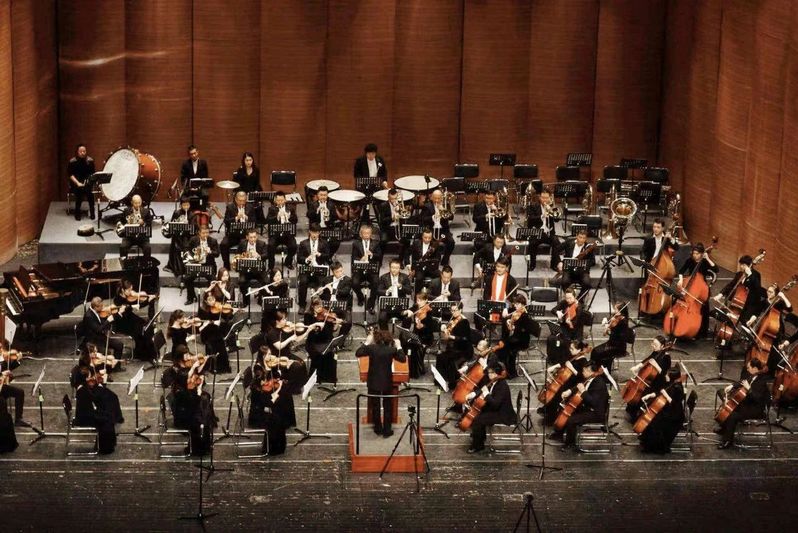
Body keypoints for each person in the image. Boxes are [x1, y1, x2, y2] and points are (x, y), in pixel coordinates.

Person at [355, 329, 407, 438]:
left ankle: (378, 428)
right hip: (387, 381)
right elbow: (402, 359)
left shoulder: (371, 348)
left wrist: (367, 342)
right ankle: (387, 430)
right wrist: (399, 346)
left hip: (373, 381)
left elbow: (358, 353)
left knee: (375, 405)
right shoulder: (391, 350)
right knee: (388, 406)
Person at [552, 361, 610, 449]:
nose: (582, 373)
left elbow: (593, 402)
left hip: (595, 413)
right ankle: (559, 433)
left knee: (571, 420)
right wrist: (570, 391)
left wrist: (583, 391)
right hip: (588, 407)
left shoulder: (599, 384)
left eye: (584, 371)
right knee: (564, 408)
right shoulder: (590, 378)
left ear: (589, 371)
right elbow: (580, 385)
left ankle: (570, 444)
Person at [715, 358, 769, 449]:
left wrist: (749, 389)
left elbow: (757, 399)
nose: (747, 369)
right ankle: (724, 428)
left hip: (756, 409)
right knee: (731, 406)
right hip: (749, 404)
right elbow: (742, 381)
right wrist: (732, 385)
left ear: (755, 368)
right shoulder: (753, 375)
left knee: (733, 415)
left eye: (749, 368)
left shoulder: (762, 381)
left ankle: (727, 441)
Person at [466, 362, 516, 453]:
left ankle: (478, 445)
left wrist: (486, 394)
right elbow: (483, 389)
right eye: (489, 372)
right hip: (497, 409)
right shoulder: (493, 381)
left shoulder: (502, 386)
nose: (489, 374)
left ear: (498, 373)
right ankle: (479, 436)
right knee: (478, 412)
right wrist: (473, 394)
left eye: (492, 373)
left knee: (478, 419)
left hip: (503, 414)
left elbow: (495, 404)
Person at [539, 340, 591, 425]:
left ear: (579, 350)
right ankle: (547, 408)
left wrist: (572, 368)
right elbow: (564, 362)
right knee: (556, 389)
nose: (570, 350)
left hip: (573, 384)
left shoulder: (583, 361)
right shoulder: (573, 356)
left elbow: (581, 377)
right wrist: (554, 367)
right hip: (567, 380)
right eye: (570, 348)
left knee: (558, 394)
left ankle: (551, 418)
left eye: (572, 349)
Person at [73, 367, 123, 454]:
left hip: (88, 412)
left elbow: (93, 397)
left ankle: (108, 443)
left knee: (107, 413)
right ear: (84, 379)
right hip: (85, 417)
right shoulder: (82, 391)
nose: (91, 378)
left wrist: (97, 384)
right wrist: (99, 385)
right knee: (107, 418)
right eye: (89, 377)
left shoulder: (83, 388)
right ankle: (105, 448)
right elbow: (91, 401)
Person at [638, 367, 687, 454]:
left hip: (674, 415)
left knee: (655, 422)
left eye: (667, 375)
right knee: (653, 419)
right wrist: (650, 395)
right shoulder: (671, 383)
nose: (665, 376)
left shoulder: (678, 388)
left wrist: (666, 395)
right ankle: (647, 442)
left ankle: (655, 447)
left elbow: (674, 404)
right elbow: (660, 392)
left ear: (672, 377)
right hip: (669, 409)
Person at [675, 242, 719, 338]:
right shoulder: (690, 260)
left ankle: (702, 331)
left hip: (701, 288)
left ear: (702, 254)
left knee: (704, 309)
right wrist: (681, 280)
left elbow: (716, 269)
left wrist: (707, 258)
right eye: (694, 253)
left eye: (697, 254)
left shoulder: (705, 261)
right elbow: (681, 271)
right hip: (691, 285)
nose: (695, 255)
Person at [624, 335, 672, 420]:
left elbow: (663, 373)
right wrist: (637, 367)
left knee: (642, 393)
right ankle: (632, 409)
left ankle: (636, 415)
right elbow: (647, 360)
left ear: (662, 346)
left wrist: (656, 365)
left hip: (658, 383)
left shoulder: (666, 357)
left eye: (655, 345)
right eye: (653, 344)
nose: (653, 346)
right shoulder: (656, 352)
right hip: (651, 379)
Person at [714, 254, 764, 328]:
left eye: (743, 265)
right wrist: (720, 294)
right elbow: (731, 285)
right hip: (738, 301)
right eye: (741, 264)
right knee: (728, 318)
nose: (741, 266)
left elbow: (757, 289)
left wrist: (750, 275)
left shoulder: (756, 275)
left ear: (749, 265)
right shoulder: (739, 274)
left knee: (744, 322)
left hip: (750, 304)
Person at [496, 294, 540, 378]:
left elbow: (523, 330)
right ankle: (505, 368)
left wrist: (514, 327)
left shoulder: (525, 315)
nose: (515, 306)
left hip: (522, 340)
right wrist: (508, 321)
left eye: (517, 304)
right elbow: (513, 323)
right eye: (515, 304)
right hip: (516, 337)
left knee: (506, 346)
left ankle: (511, 372)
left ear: (522, 304)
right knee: (502, 344)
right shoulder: (516, 312)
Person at [436, 302, 473, 389]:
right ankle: (441, 380)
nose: (453, 312)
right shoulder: (454, 319)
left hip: (463, 349)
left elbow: (464, 339)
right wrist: (444, 327)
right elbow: (449, 329)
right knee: (440, 356)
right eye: (451, 310)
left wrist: (451, 336)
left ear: (460, 310)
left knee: (445, 358)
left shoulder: (464, 322)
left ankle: (451, 382)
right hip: (454, 347)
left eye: (455, 310)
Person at [547, 286, 586, 364]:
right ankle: (552, 358)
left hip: (574, 331)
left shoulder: (579, 308)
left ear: (574, 297)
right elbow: (553, 310)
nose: (568, 300)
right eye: (567, 298)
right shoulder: (565, 302)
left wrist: (569, 323)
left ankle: (562, 360)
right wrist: (557, 312)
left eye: (570, 298)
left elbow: (575, 325)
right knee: (550, 338)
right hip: (564, 328)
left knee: (561, 341)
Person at [400, 291, 435, 377]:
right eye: (417, 300)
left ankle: (416, 370)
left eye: (421, 300)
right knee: (403, 340)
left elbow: (431, 328)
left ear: (426, 300)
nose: (418, 302)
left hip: (426, 336)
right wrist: (406, 312)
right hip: (416, 334)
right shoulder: (416, 306)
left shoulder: (429, 311)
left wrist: (422, 326)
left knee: (414, 346)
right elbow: (405, 312)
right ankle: (406, 365)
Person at [183, 225, 220, 305]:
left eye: (207, 233)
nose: (205, 235)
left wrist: (210, 252)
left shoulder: (213, 241)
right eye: (203, 233)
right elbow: (186, 249)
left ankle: (210, 298)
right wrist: (192, 256)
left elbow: (217, 254)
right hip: (196, 264)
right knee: (187, 278)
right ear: (199, 233)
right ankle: (191, 297)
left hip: (208, 266)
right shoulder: (193, 240)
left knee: (213, 279)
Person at [525, 188, 560, 271]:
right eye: (543, 197)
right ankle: (532, 264)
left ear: (550, 198)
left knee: (556, 242)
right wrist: (542, 216)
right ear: (539, 197)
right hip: (538, 232)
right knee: (532, 242)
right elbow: (530, 220)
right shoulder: (533, 206)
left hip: (549, 233)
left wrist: (552, 211)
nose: (545, 200)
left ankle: (554, 264)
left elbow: (557, 220)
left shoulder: (552, 207)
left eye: (546, 198)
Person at [297, 224, 331, 308]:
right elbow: (299, 258)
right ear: (310, 232)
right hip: (307, 269)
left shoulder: (324, 243)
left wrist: (320, 254)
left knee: (323, 281)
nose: (315, 235)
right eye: (313, 232)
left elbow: (328, 257)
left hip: (319, 269)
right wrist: (306, 259)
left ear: (319, 233)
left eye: (317, 233)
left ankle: (321, 305)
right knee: (303, 282)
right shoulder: (303, 243)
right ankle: (302, 305)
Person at [221, 191, 257, 270]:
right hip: (233, 235)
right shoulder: (230, 207)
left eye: (244, 201)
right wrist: (236, 218)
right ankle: (226, 265)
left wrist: (247, 218)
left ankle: (243, 266)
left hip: (245, 236)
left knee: (245, 245)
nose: (242, 203)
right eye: (240, 201)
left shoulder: (250, 207)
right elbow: (226, 221)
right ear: (236, 200)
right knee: (223, 244)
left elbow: (255, 222)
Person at [351, 224, 382, 313]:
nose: (366, 235)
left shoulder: (376, 243)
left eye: (368, 233)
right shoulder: (356, 244)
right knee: (354, 283)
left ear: (371, 234)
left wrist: (372, 255)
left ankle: (371, 303)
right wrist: (361, 259)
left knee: (376, 283)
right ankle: (360, 297)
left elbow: (379, 256)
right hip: (360, 269)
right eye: (364, 233)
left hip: (371, 269)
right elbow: (353, 258)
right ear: (361, 234)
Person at [555, 228, 595, 297]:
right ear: (576, 236)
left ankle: (579, 300)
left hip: (582, 271)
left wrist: (585, 263)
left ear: (586, 239)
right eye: (580, 237)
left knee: (587, 284)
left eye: (583, 238)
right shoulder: (569, 242)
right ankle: (569, 298)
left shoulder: (588, 248)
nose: (581, 240)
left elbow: (593, 261)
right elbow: (556, 250)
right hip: (568, 270)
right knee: (564, 282)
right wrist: (559, 262)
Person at [377, 188, 412, 265]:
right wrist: (392, 218)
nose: (393, 201)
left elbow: (405, 218)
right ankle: (379, 262)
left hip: (398, 228)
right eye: (391, 199)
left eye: (395, 198)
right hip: (387, 228)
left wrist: (400, 212)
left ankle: (402, 261)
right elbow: (382, 221)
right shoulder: (383, 205)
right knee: (383, 241)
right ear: (388, 197)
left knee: (407, 241)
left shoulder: (400, 205)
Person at [591, 301, 631, 368]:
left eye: (616, 309)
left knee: (598, 353)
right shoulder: (616, 318)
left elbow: (618, 337)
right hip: (611, 343)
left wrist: (609, 328)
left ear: (621, 311)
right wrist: (607, 325)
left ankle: (601, 369)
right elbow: (608, 333)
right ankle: (596, 368)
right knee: (594, 351)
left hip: (618, 347)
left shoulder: (623, 322)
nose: (614, 311)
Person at [376, 258, 413, 329]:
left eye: (396, 268)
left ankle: (403, 335)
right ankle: (386, 335)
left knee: (408, 318)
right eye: (392, 267)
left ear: (399, 268)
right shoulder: (383, 277)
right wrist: (387, 291)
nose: (394, 270)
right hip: (387, 306)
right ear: (389, 267)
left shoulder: (405, 277)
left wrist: (401, 287)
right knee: (382, 318)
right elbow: (378, 291)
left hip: (400, 306)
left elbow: (409, 291)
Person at [265, 191, 299, 269]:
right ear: (275, 201)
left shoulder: (290, 208)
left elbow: (295, 220)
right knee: (270, 246)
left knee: (293, 246)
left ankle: (288, 262)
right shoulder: (272, 209)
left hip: (288, 235)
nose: (280, 202)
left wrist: (289, 217)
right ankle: (271, 265)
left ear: (285, 200)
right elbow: (268, 220)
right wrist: (277, 216)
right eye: (278, 200)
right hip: (275, 235)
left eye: (282, 200)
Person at [165, 196, 196, 277]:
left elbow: (193, 229)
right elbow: (171, 224)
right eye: (184, 205)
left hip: (187, 236)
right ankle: (176, 267)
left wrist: (188, 224)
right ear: (181, 205)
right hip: (177, 235)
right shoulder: (177, 213)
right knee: (176, 244)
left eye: (187, 205)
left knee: (185, 245)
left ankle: (185, 267)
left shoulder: (192, 215)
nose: (186, 207)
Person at [421, 190, 454, 266]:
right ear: (432, 198)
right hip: (431, 230)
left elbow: (451, 217)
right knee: (433, 243)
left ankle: (445, 260)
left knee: (451, 242)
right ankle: (432, 259)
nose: (436, 200)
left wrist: (443, 210)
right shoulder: (427, 206)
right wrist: (432, 217)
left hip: (443, 230)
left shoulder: (446, 205)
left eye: (439, 198)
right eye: (435, 198)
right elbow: (423, 219)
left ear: (441, 198)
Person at [235, 229, 267, 307]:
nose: (253, 239)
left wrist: (259, 256)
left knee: (266, 281)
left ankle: (260, 297)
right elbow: (237, 254)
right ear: (247, 237)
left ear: (257, 236)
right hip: (246, 270)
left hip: (258, 270)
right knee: (242, 281)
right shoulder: (242, 243)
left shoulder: (262, 244)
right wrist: (241, 257)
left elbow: (266, 255)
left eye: (254, 237)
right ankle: (246, 300)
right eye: (251, 237)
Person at [306, 185, 340, 256]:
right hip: (316, 229)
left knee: (336, 242)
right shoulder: (313, 204)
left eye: (325, 195)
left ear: (327, 195)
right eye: (321, 195)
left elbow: (336, 217)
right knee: (319, 243)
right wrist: (316, 211)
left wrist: (329, 214)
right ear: (317, 195)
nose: (323, 197)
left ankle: (328, 257)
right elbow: (309, 215)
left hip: (328, 228)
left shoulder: (331, 205)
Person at [67, 143, 96, 221]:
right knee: (79, 191)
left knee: (89, 192)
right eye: (81, 151)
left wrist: (88, 182)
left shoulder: (90, 161)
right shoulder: (72, 161)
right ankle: (77, 212)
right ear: (77, 152)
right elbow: (70, 175)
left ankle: (92, 212)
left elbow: (92, 174)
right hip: (76, 183)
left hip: (86, 182)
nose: (83, 153)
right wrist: (77, 183)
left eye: (84, 151)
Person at [0, 346, 25, 427]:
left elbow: (7, 368)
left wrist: (17, 360)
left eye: (1, 347)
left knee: (19, 392)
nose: (2, 350)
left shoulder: (1, 360)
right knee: (2, 402)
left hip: (1, 387)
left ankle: (18, 419)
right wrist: (1, 374)